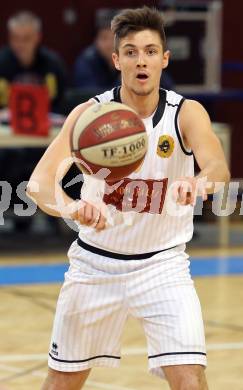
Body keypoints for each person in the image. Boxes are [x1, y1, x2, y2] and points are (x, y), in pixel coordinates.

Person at [27, 6, 230, 390]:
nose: (142, 60)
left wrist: (200, 183)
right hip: (95, 267)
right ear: (117, 59)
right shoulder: (90, 115)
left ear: (164, 59)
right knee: (61, 382)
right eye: (132, 51)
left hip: (163, 266)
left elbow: (218, 166)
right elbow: (39, 183)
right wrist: (71, 207)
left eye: (151, 51)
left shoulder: (186, 114)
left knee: (190, 379)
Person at [73, 15, 174, 92]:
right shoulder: (86, 61)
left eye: (114, 38)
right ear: (95, 41)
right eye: (104, 38)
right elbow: (89, 97)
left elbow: (166, 85)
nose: (109, 44)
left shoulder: (137, 58)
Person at [0, 11, 67, 113]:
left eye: (26, 39)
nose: (20, 44)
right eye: (15, 38)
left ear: (38, 37)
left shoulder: (53, 64)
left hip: (45, 123)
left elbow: (62, 103)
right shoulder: (2, 62)